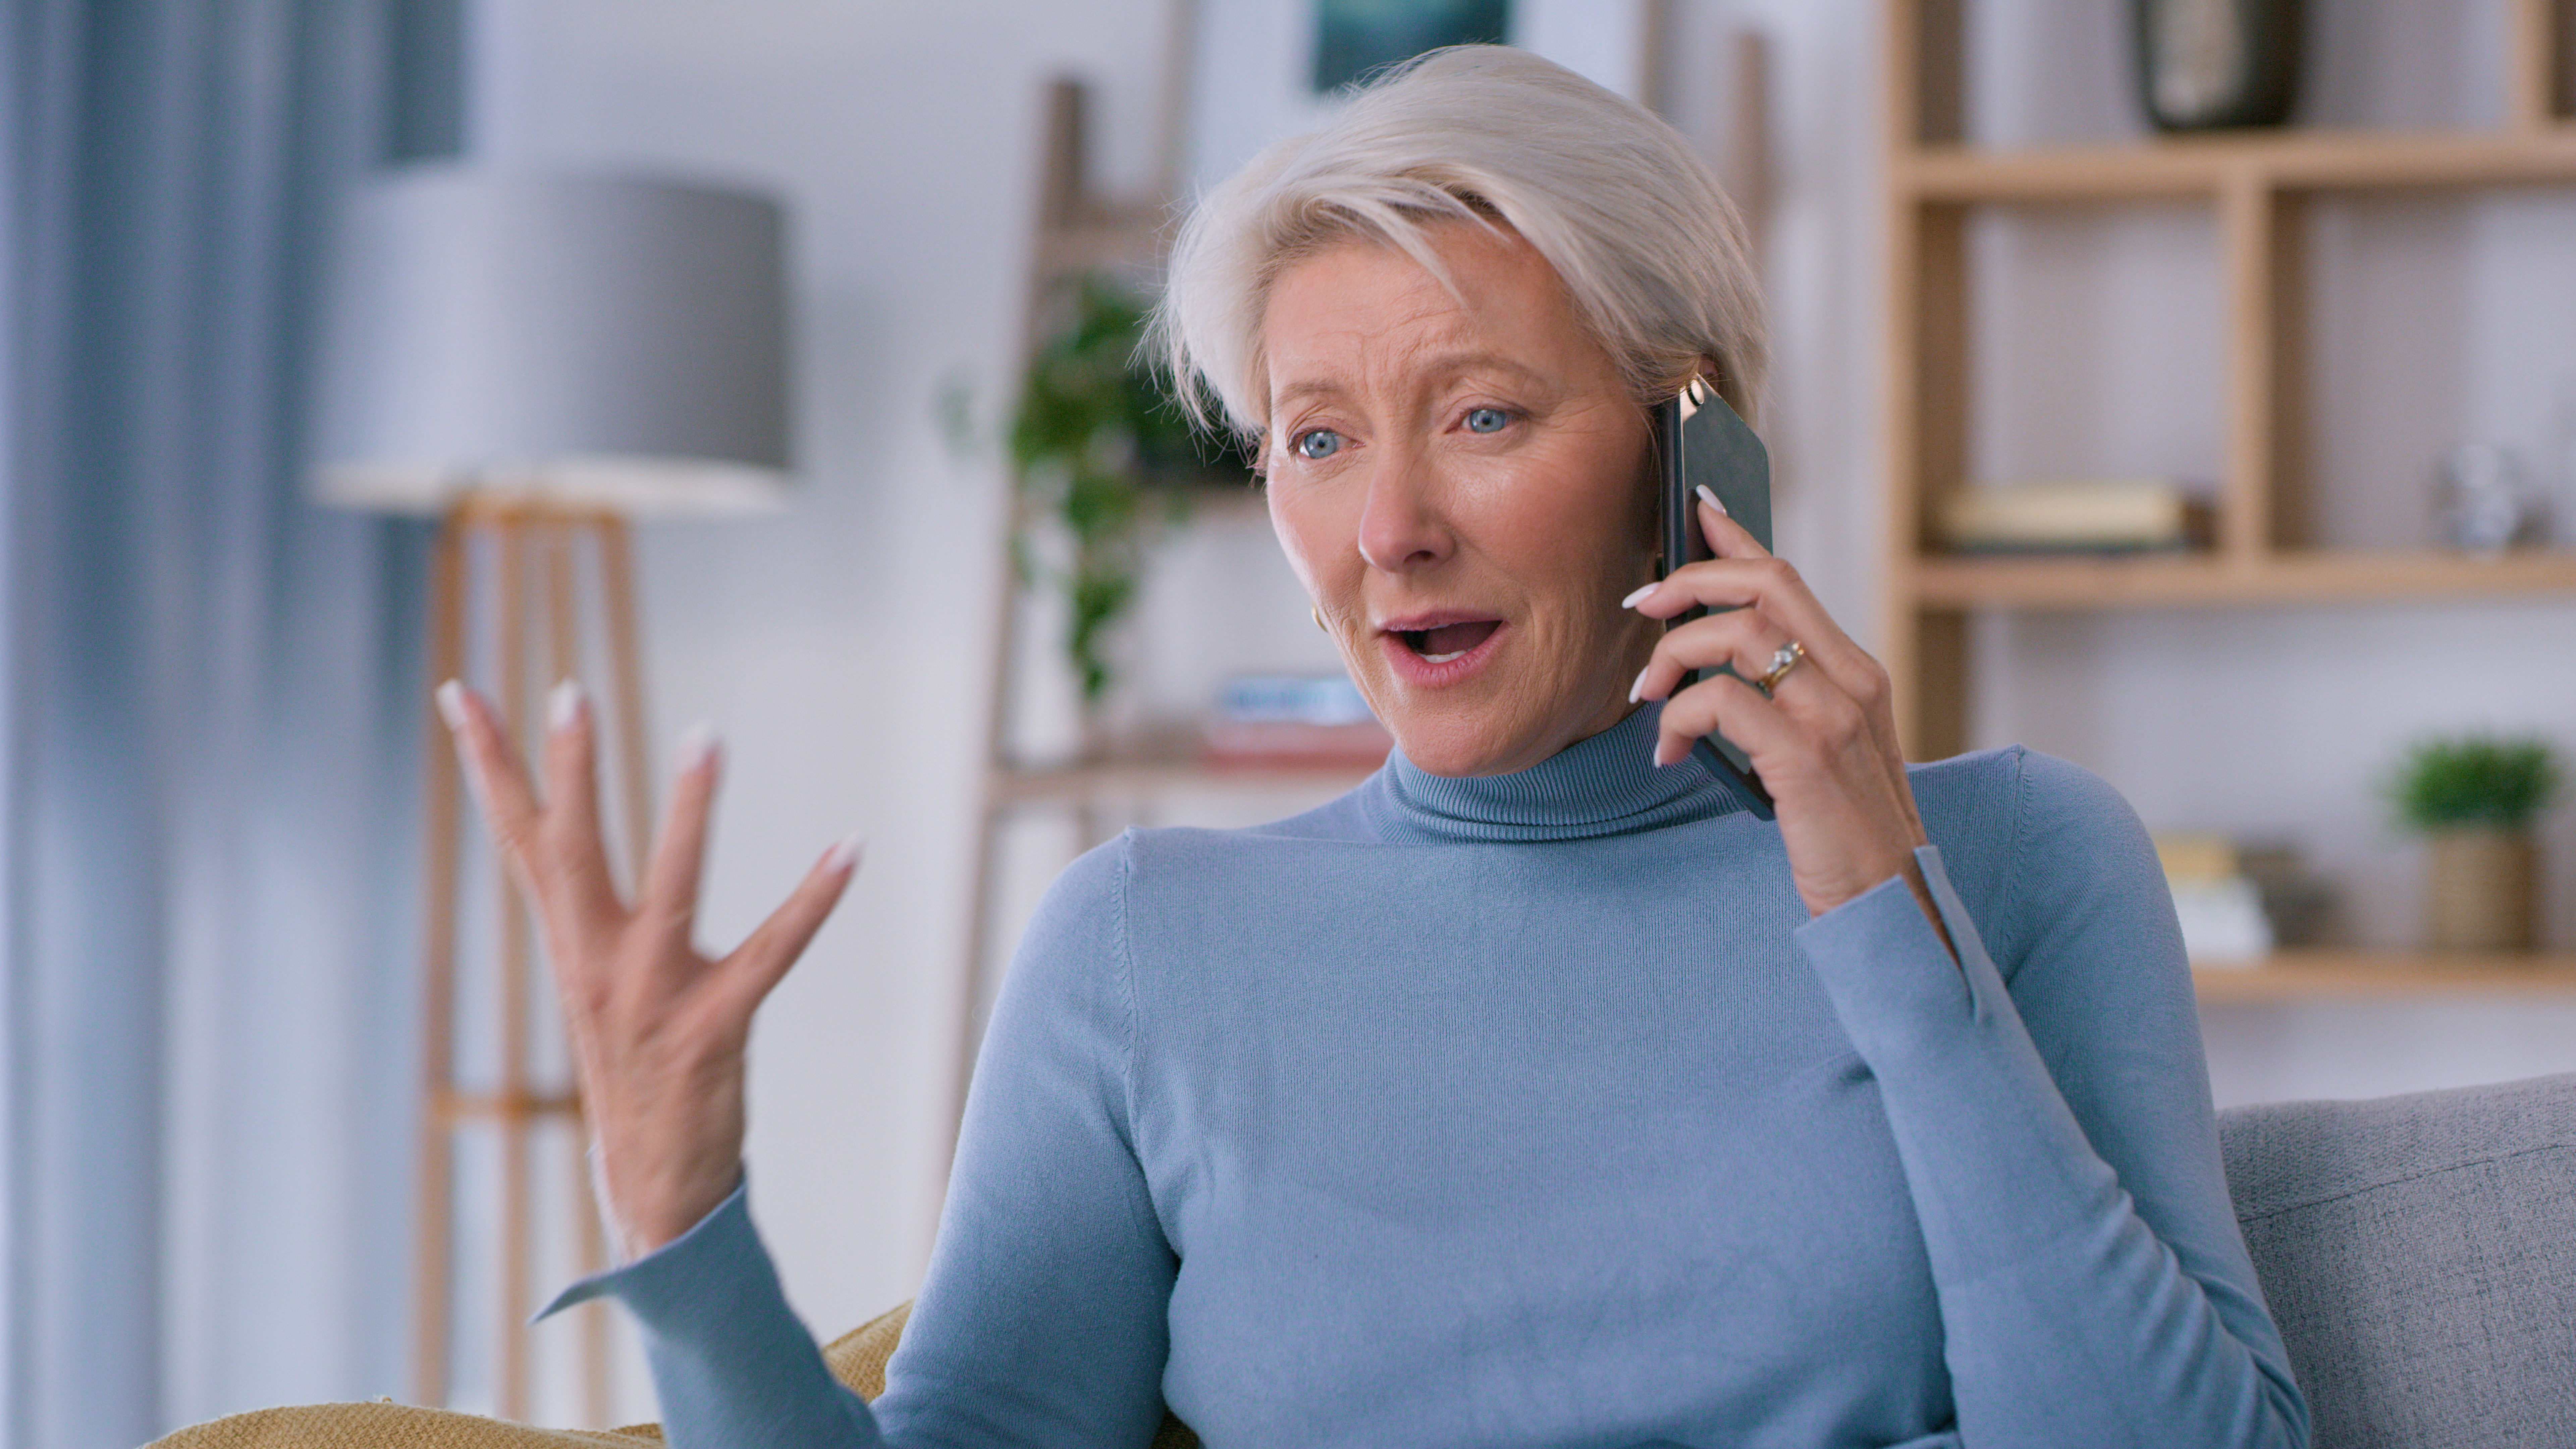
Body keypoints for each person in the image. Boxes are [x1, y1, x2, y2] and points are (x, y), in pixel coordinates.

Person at [440, 45, 2308, 1449]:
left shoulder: (2022, 862)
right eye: (1316, 441)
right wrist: (680, 1220)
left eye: (1481, 416)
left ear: (1695, 455)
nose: (1387, 530)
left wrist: (1882, 914)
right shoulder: (1146, 946)